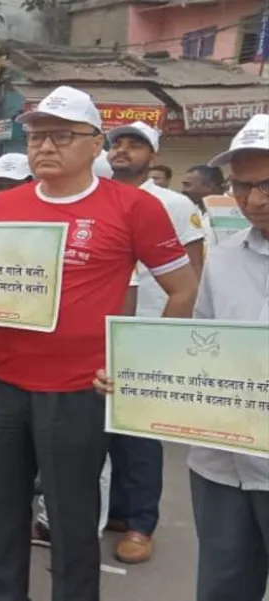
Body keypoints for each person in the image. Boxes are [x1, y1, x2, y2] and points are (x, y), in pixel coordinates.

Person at [0, 86, 197, 601]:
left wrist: (140, 365)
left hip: (79, 390)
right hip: (2, 384)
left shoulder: (133, 207)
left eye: (61, 136)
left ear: (95, 144)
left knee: (71, 520)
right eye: (37, 135)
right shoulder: (4, 207)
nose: (44, 146)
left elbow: (182, 289)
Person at [104, 120, 206, 564]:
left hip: (150, 326)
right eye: (117, 143)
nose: (123, 150)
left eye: (135, 144)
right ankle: (114, 510)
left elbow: (193, 276)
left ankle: (141, 524)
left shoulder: (175, 204)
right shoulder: (96, 195)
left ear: (154, 154)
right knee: (100, 428)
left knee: (140, 435)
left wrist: (169, 341)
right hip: (101, 328)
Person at [175, 113, 267, 601]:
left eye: (268, 185)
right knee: (223, 585)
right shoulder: (225, 258)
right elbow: (202, 345)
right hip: (220, 462)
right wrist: (144, 382)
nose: (254, 200)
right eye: (242, 186)